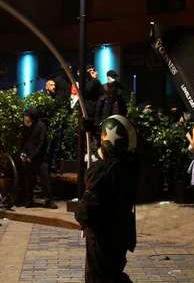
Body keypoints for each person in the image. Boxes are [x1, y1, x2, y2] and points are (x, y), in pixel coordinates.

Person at [75, 115, 139, 283]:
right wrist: (90, 133)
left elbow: (85, 212)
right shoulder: (130, 167)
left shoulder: (101, 172)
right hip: (120, 235)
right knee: (113, 275)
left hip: (101, 239)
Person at [18, 109, 56, 208]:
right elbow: (22, 142)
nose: (25, 120)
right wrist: (23, 155)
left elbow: (42, 143)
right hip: (27, 157)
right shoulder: (25, 127)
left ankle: (49, 201)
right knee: (29, 180)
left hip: (39, 158)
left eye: (27, 117)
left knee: (44, 180)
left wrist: (33, 157)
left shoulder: (40, 126)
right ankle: (29, 200)